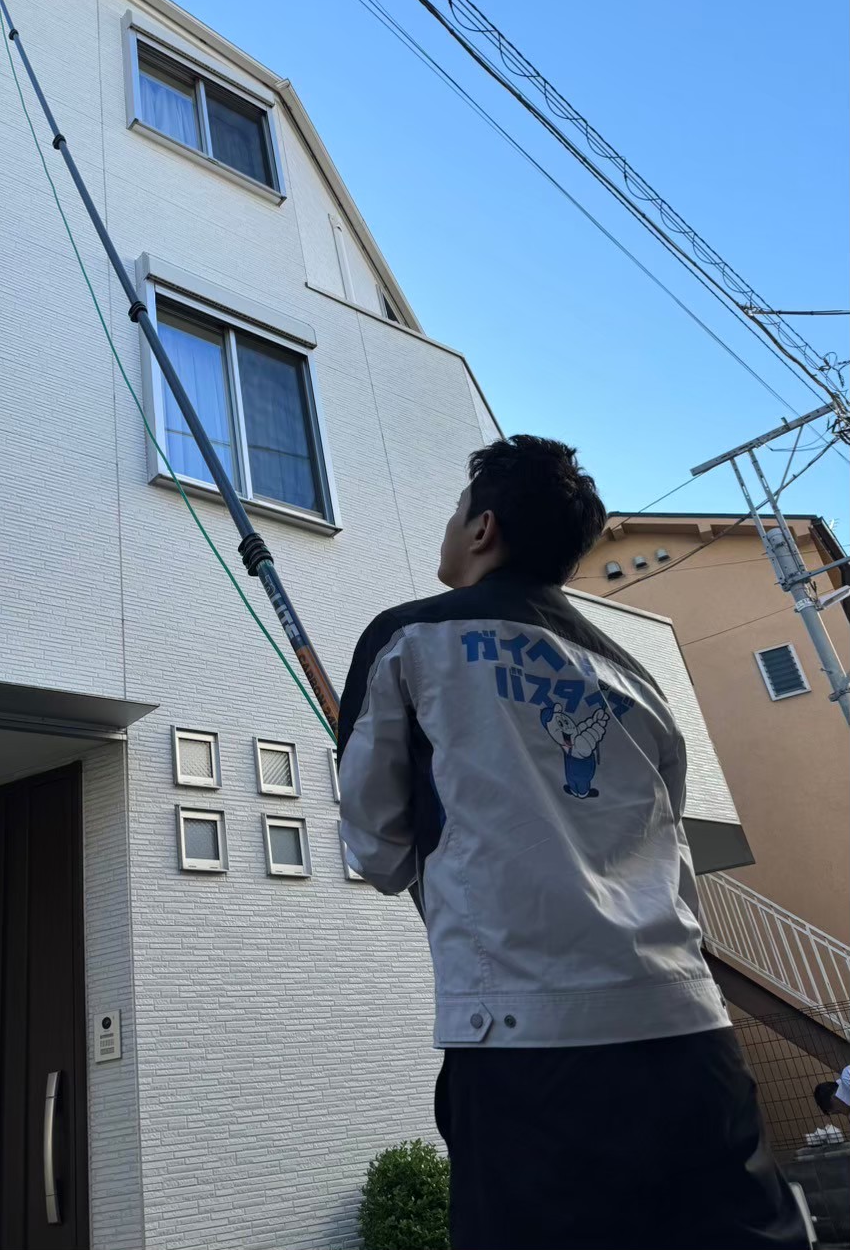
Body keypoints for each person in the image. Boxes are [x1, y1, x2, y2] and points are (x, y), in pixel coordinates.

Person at [338, 435, 807, 1250]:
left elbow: (377, 852)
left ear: (483, 527)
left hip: (527, 1040)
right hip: (689, 1029)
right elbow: (654, 841)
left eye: (456, 510)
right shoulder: (637, 682)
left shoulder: (408, 638)